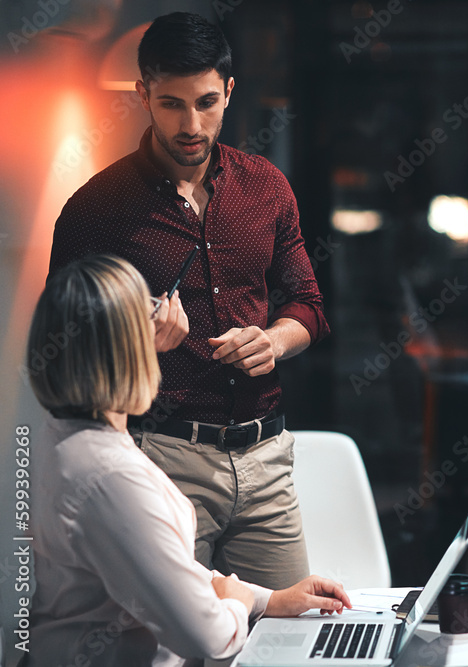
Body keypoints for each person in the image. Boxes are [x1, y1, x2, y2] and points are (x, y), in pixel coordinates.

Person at [48, 12, 328, 589]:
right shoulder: (95, 211)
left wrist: (274, 341)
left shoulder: (266, 187)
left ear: (229, 91)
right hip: (161, 457)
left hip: (266, 461)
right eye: (172, 104)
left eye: (206, 102)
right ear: (143, 95)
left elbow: (308, 305)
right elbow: (59, 356)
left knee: (289, 627)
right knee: (179, 634)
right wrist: (136, 342)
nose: (191, 125)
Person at [24, 255, 351, 667]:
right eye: (148, 315)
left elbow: (163, 568)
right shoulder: (111, 479)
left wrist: (268, 600)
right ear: (123, 350)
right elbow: (212, 637)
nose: (163, 326)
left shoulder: (63, 439)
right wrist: (239, 600)